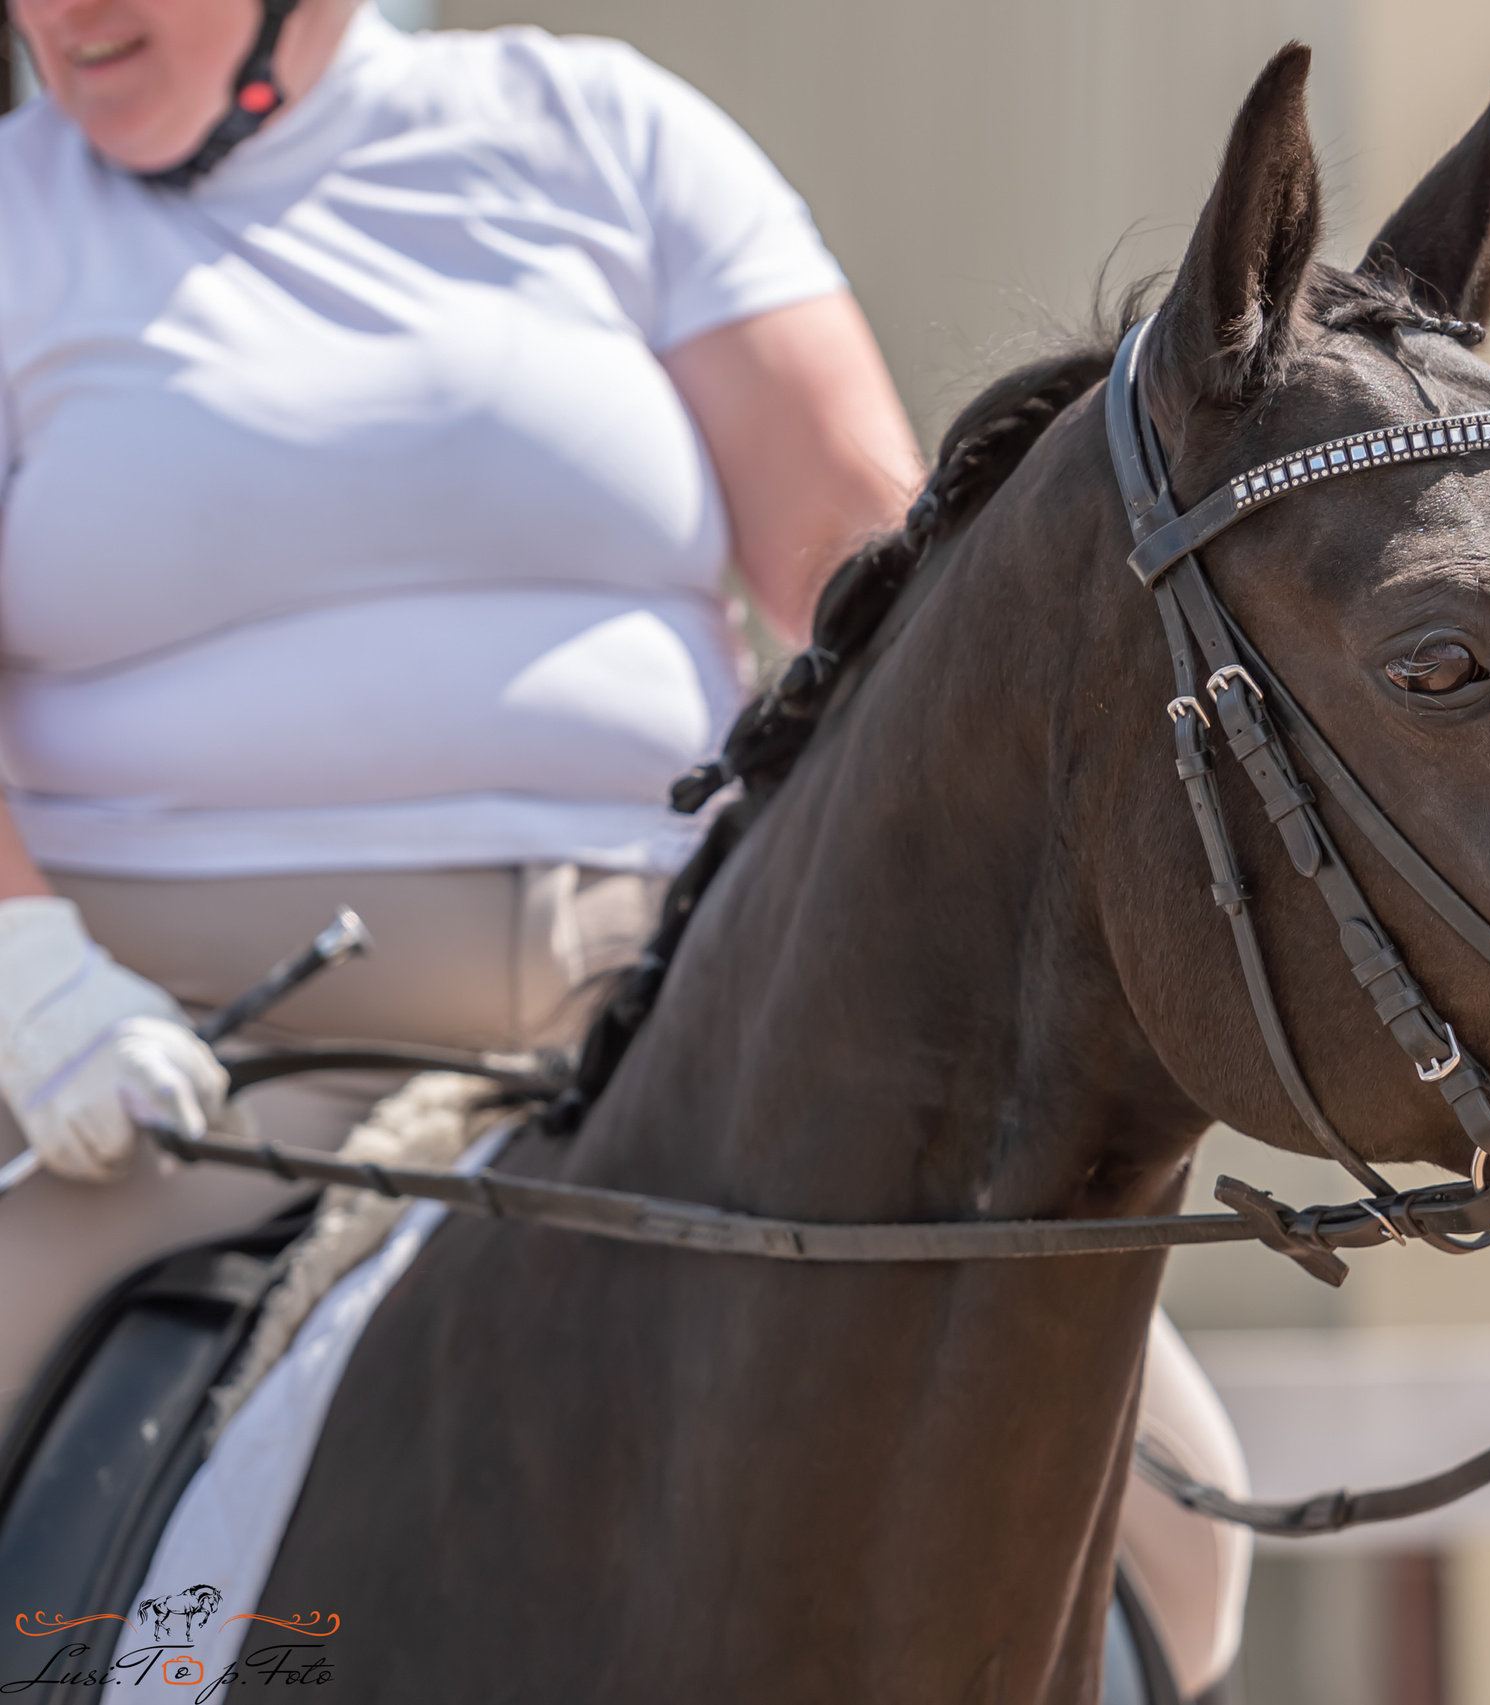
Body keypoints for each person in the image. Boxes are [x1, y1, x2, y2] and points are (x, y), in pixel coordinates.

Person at [0, 2, 1246, 1688]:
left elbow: (854, 560)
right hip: (175, 1066)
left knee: (1185, 1515)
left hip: (674, 1019)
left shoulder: (600, 136)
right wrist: (26, 967)